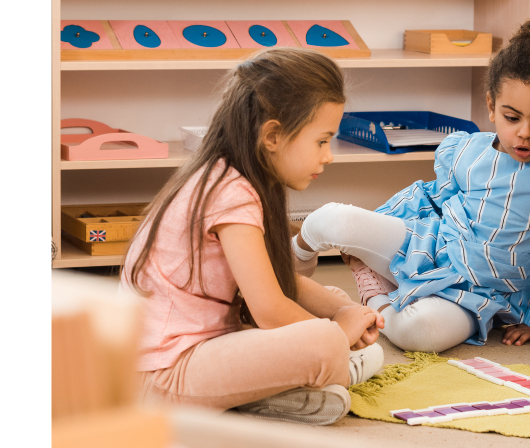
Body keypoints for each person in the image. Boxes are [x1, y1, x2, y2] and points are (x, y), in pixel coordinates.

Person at [294, 19, 530, 353]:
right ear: (491, 106)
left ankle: (373, 296)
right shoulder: (466, 150)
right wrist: (374, 228)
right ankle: (287, 272)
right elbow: (428, 198)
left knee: (419, 332)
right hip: (431, 246)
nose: (525, 133)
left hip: (485, 293)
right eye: (512, 118)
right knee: (331, 219)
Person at [122, 49, 385, 426]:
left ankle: (265, 392)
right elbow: (269, 310)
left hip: (201, 349)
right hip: (164, 376)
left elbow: (276, 283)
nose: (328, 156)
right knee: (326, 342)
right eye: (322, 141)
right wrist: (339, 332)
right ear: (273, 136)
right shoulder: (231, 193)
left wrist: (343, 312)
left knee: (333, 302)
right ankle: (324, 371)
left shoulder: (232, 177)